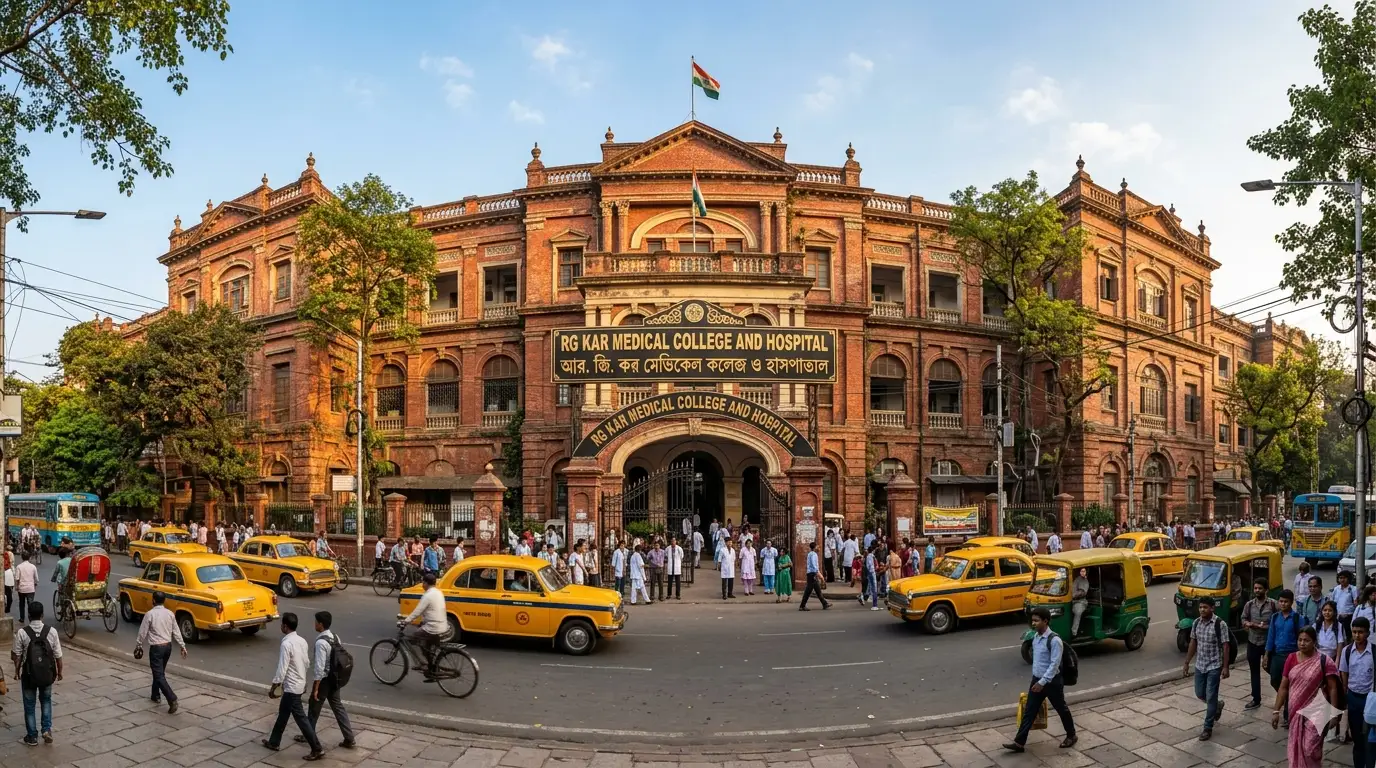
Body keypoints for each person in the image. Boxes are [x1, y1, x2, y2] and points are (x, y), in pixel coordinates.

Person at [1004, 606, 1076, 752]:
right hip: (1037, 680)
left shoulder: (1055, 640)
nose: (1034, 623)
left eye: (1037, 621)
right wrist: (1037, 680)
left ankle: (1071, 735)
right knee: (1029, 711)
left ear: (1046, 621)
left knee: (1061, 708)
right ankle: (1019, 743)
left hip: (1051, 682)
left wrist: (1042, 682)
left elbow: (1054, 665)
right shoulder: (1036, 637)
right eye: (1033, 620)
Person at [1271, 626, 1342, 768]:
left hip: (1317, 710)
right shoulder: (1291, 659)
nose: (1302, 643)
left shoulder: (1324, 661)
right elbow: (1284, 687)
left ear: (1314, 642)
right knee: (1297, 746)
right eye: (1300, 640)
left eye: (1307, 640)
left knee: (1310, 749)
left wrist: (1334, 713)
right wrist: (1276, 711)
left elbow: (1333, 687)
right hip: (1295, 710)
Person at [261, 613, 324, 760]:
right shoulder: (302, 641)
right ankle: (274, 741)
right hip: (299, 684)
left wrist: (274, 686)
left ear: (285, 626)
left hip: (292, 687)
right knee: (283, 713)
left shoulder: (286, 644)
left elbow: (282, 668)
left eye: (282, 624)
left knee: (301, 719)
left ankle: (317, 748)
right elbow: (306, 662)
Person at [295, 611, 354, 750]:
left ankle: (308, 735)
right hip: (336, 678)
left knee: (313, 707)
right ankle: (349, 738)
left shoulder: (321, 642)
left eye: (316, 622)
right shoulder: (335, 637)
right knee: (338, 707)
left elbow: (319, 668)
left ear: (320, 624)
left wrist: (316, 688)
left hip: (325, 681)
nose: (314, 624)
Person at [11, 601, 61, 746]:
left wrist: (16, 671)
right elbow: (58, 655)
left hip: (28, 675)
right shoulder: (51, 631)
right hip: (47, 674)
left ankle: (32, 736)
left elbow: (17, 656)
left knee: (29, 705)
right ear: (42, 615)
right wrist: (60, 672)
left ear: (28, 615)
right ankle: (46, 730)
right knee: (46, 701)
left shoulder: (22, 633)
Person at [1183, 596, 1230, 740]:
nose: (1202, 610)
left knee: (1210, 696)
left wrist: (1225, 667)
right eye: (1200, 607)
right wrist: (1186, 662)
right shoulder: (1196, 623)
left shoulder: (1219, 624)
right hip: (1200, 665)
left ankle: (1207, 728)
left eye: (1205, 607)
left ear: (1212, 608)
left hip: (1214, 666)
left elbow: (1226, 646)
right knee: (1199, 693)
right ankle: (1217, 705)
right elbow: (1193, 643)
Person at [134, 591, 187, 714]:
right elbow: (176, 631)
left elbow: (143, 632)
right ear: (164, 601)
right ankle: (155, 695)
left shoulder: (150, 614)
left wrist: (139, 644)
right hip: (167, 647)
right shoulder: (170, 614)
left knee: (158, 674)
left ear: (153, 600)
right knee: (159, 672)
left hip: (156, 649)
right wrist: (182, 646)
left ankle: (171, 698)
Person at [1266, 589, 1305, 722]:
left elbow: (1302, 638)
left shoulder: (1297, 618)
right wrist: (1266, 654)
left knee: (1290, 683)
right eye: (1281, 601)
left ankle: (1288, 715)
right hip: (1277, 655)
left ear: (1291, 602)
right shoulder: (1275, 617)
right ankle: (1286, 698)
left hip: (1292, 656)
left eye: (1286, 602)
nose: (1283, 604)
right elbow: (1271, 636)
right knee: (1274, 680)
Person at [1341, 616, 1374, 768]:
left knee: (1370, 738)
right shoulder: (1347, 651)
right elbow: (1344, 674)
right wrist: (1346, 695)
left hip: (1370, 700)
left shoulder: (1373, 652)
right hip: (1353, 698)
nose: (1357, 635)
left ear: (1367, 633)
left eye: (1360, 632)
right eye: (1354, 632)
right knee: (1357, 738)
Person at [400, 572, 447, 677]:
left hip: (433, 627)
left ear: (425, 583)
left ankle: (421, 663)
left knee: (411, 639)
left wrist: (405, 621)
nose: (422, 584)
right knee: (426, 645)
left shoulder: (427, 596)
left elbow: (417, 611)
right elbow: (433, 611)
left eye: (423, 582)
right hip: (442, 625)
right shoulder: (439, 592)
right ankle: (431, 667)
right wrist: (423, 622)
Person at [1241, 577, 1276, 710]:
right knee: (1254, 671)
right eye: (1255, 588)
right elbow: (1243, 618)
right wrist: (1247, 624)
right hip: (1253, 642)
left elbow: (1279, 621)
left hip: (1269, 643)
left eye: (1260, 588)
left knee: (1273, 670)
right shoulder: (1249, 605)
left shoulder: (1273, 605)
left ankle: (1283, 693)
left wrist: (1266, 627)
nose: (1257, 590)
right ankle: (1256, 699)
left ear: (1266, 590)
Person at [798, 541, 829, 610]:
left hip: (811, 574)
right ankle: (802, 605)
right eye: (817, 546)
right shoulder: (813, 555)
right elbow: (814, 566)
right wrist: (820, 575)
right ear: (815, 547)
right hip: (812, 574)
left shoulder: (811, 554)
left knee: (817, 590)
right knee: (808, 590)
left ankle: (825, 603)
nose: (819, 548)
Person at [1334, 571, 1359, 638]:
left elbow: (1356, 603)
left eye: (1344, 578)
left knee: (1347, 636)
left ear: (1348, 579)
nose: (1342, 580)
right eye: (1340, 578)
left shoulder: (1353, 589)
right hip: (1338, 616)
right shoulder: (1336, 589)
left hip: (1349, 617)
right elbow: (1333, 602)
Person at [14, 550, 37, 623]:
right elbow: (36, 578)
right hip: (30, 588)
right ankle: (31, 619)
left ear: (21, 557)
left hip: (22, 588)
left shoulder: (19, 567)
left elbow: (17, 578)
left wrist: (17, 586)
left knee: (21, 603)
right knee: (30, 604)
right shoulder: (33, 567)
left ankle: (22, 618)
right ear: (29, 557)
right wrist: (34, 585)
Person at [1070, 567, 1089, 637]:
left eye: (1084, 571)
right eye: (1081, 571)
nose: (1083, 573)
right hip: (1072, 600)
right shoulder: (1075, 579)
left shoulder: (1084, 580)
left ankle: (1074, 633)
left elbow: (1083, 592)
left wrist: (1073, 595)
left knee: (1077, 612)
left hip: (1081, 601)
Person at [665, 536, 684, 600]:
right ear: (670, 542)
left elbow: (681, 556)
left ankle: (678, 595)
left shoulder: (679, 548)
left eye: (674, 541)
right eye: (672, 541)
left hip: (677, 567)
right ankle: (669, 594)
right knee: (669, 583)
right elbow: (666, 555)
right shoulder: (668, 548)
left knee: (678, 583)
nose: (673, 542)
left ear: (676, 542)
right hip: (670, 567)